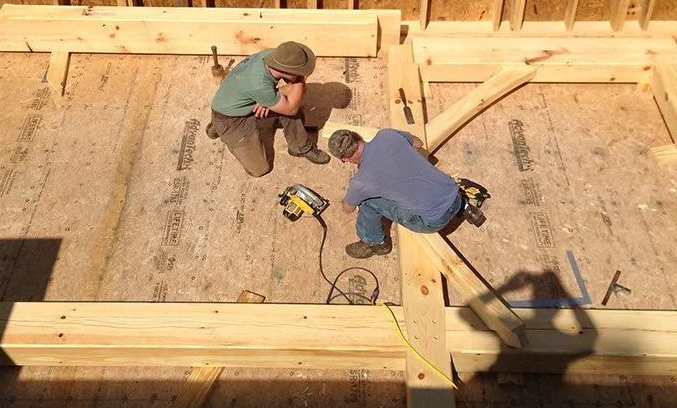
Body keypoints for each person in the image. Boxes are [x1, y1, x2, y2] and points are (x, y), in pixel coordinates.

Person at [327, 128, 484, 258]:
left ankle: (375, 242)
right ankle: (467, 209)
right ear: (359, 136)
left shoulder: (361, 182)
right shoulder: (387, 135)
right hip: (455, 196)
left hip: (433, 220)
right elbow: (418, 143)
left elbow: (348, 209)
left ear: (346, 160)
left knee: (367, 202)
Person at [207, 41, 330, 177]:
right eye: (300, 73)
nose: (303, 76)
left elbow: (290, 97)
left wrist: (269, 98)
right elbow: (291, 108)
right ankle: (219, 127)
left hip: (238, 96)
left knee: (292, 100)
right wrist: (298, 82)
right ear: (285, 70)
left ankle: (299, 147)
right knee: (260, 169)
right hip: (230, 119)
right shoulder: (258, 85)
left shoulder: (273, 56)